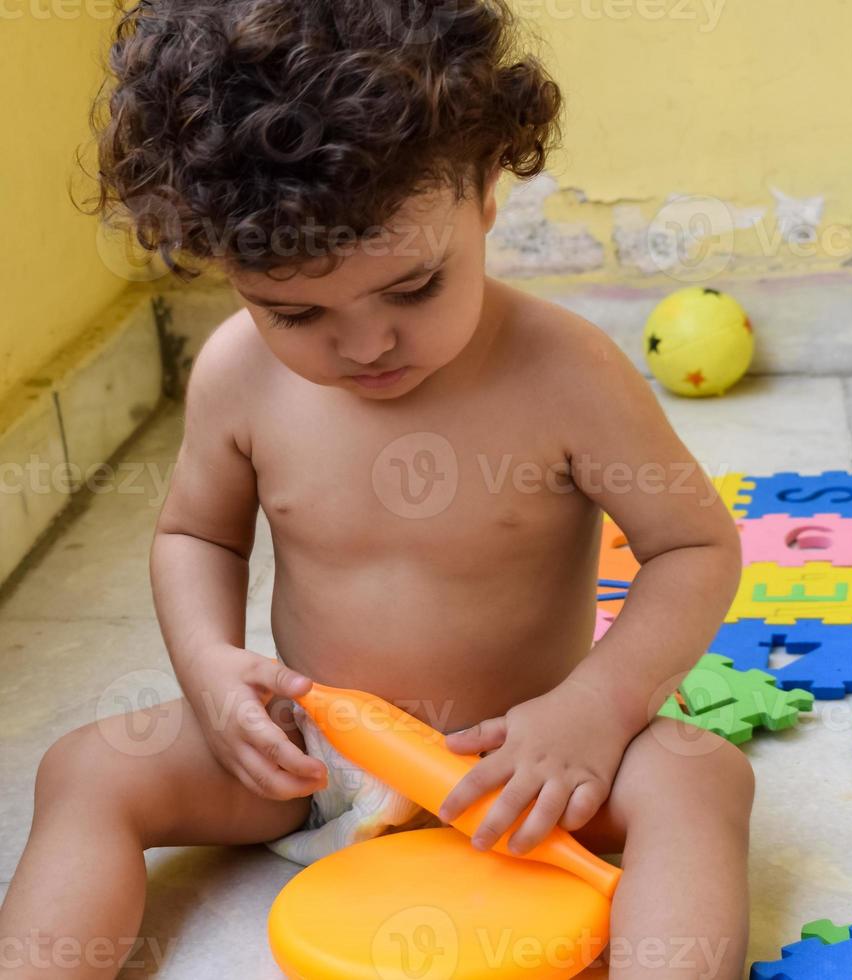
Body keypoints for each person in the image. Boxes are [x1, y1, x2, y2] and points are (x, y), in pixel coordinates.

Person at [0, 1, 754, 976]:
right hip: (311, 751)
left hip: (521, 764)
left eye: (410, 288)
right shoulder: (237, 374)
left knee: (697, 778)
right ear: (219, 261)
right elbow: (199, 536)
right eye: (294, 310)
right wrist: (211, 669)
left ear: (484, 188)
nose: (362, 344)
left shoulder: (566, 373)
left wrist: (596, 709)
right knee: (86, 768)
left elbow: (692, 547)